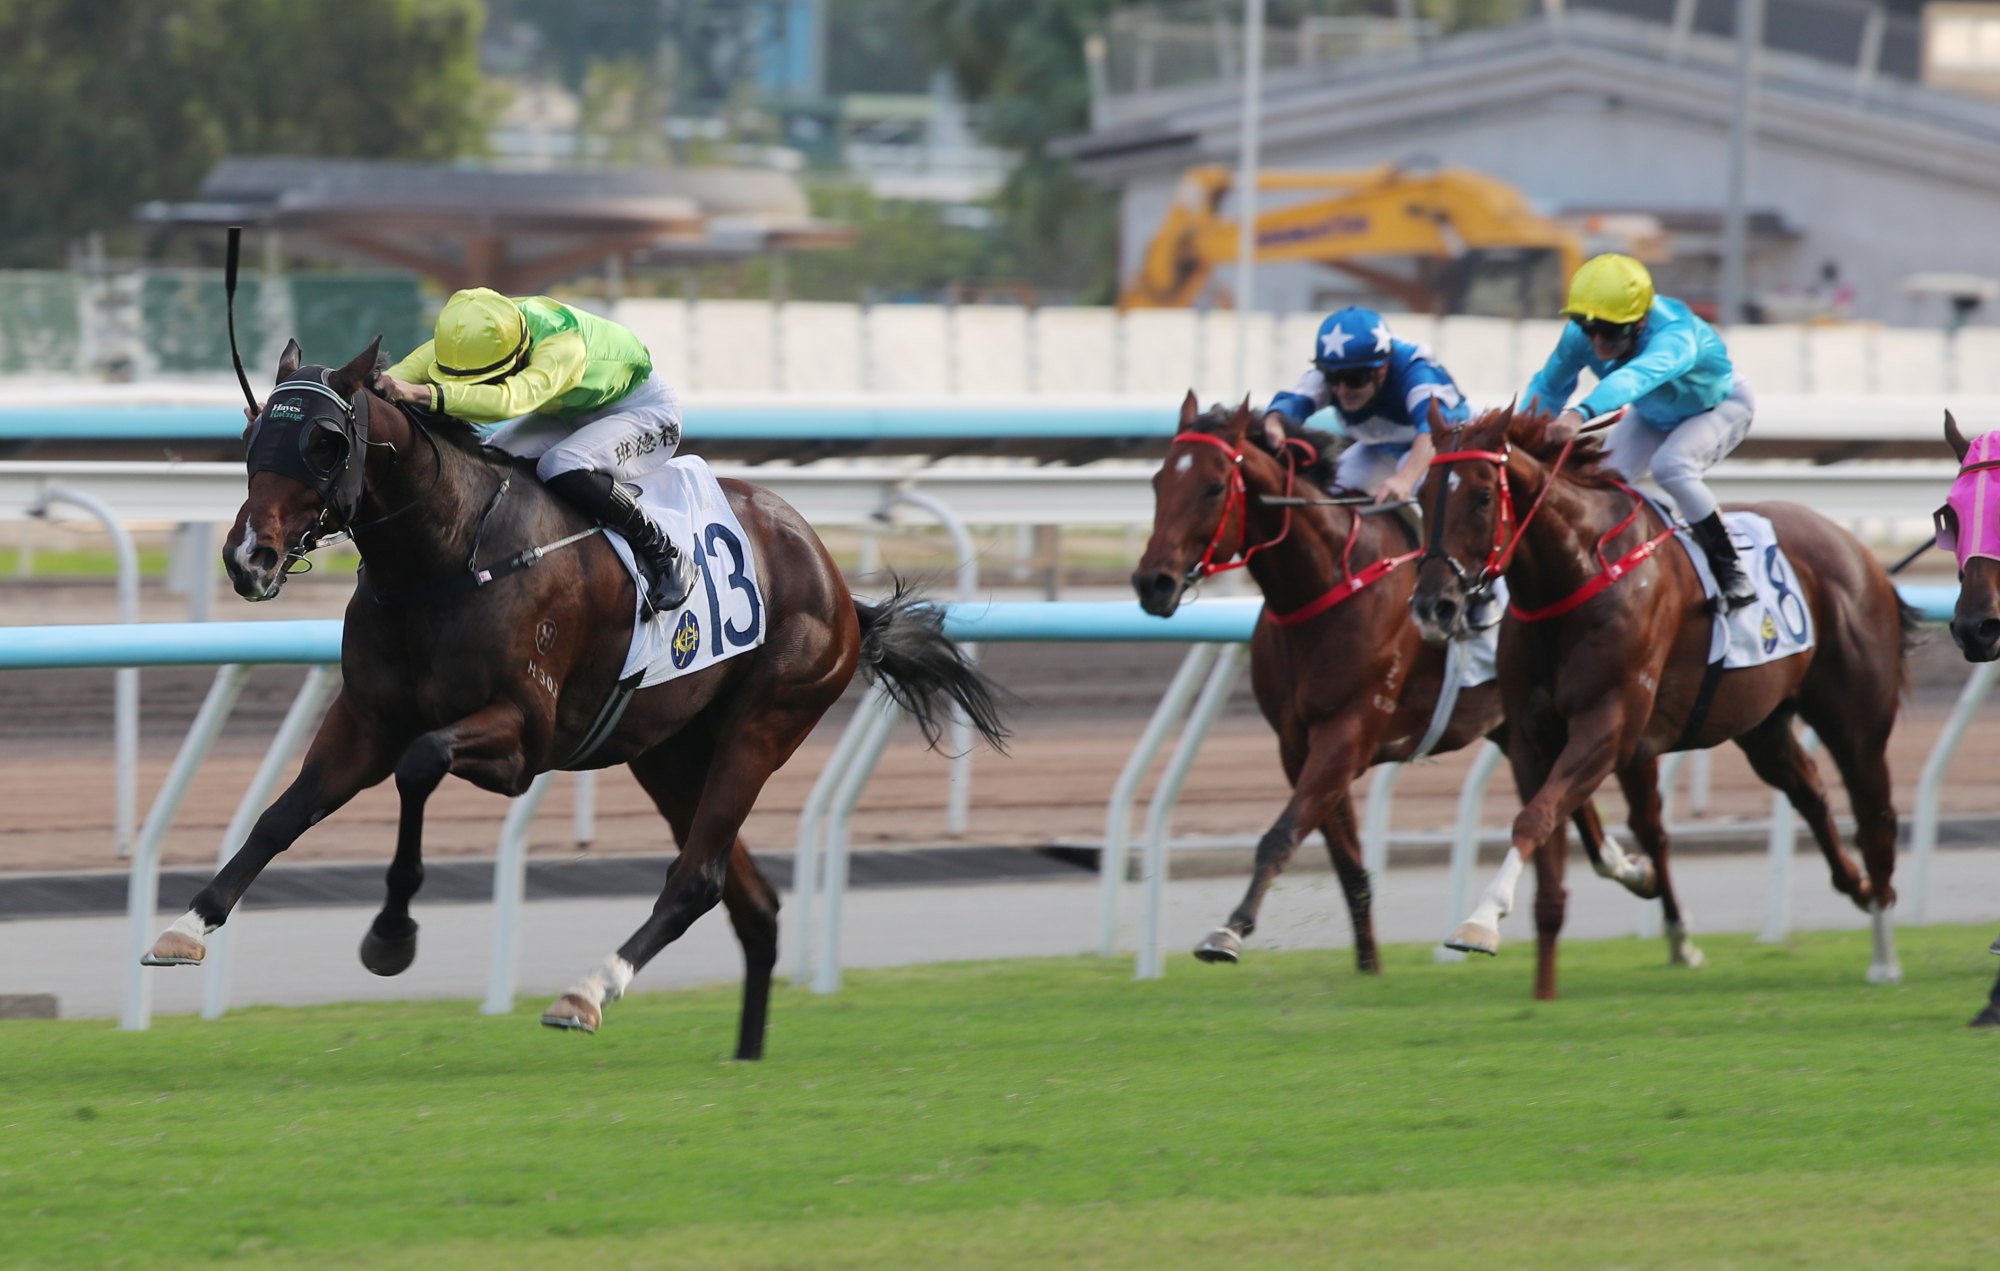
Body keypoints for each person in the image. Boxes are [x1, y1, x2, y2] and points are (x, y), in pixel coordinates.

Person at [375, 288, 697, 614]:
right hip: (571, 411)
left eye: (485, 380)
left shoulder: (562, 346)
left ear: (516, 356)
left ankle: (666, 553)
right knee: (490, 458)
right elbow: (406, 370)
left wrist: (424, 394)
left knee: (561, 464)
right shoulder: (483, 327)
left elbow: (510, 400)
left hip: (643, 412)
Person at [1524, 254, 1756, 609]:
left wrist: (1579, 414)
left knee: (1671, 466)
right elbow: (1549, 385)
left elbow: (1636, 377)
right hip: (1652, 412)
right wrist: (1525, 431)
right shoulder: (1579, 336)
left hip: (1720, 406)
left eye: (1612, 331)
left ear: (1642, 319)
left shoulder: (1676, 333)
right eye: (1590, 329)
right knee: (1603, 481)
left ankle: (1732, 570)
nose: (1598, 342)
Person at [1260, 306, 1468, 505]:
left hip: (1451, 447)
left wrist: (1404, 479)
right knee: (1334, 492)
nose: (1341, 390)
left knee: (1413, 481)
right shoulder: (1334, 373)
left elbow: (1434, 433)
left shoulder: (1417, 371)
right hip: (1384, 450)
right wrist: (1274, 422)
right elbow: (1291, 403)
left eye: (1354, 378)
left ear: (1382, 370)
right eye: (1332, 378)